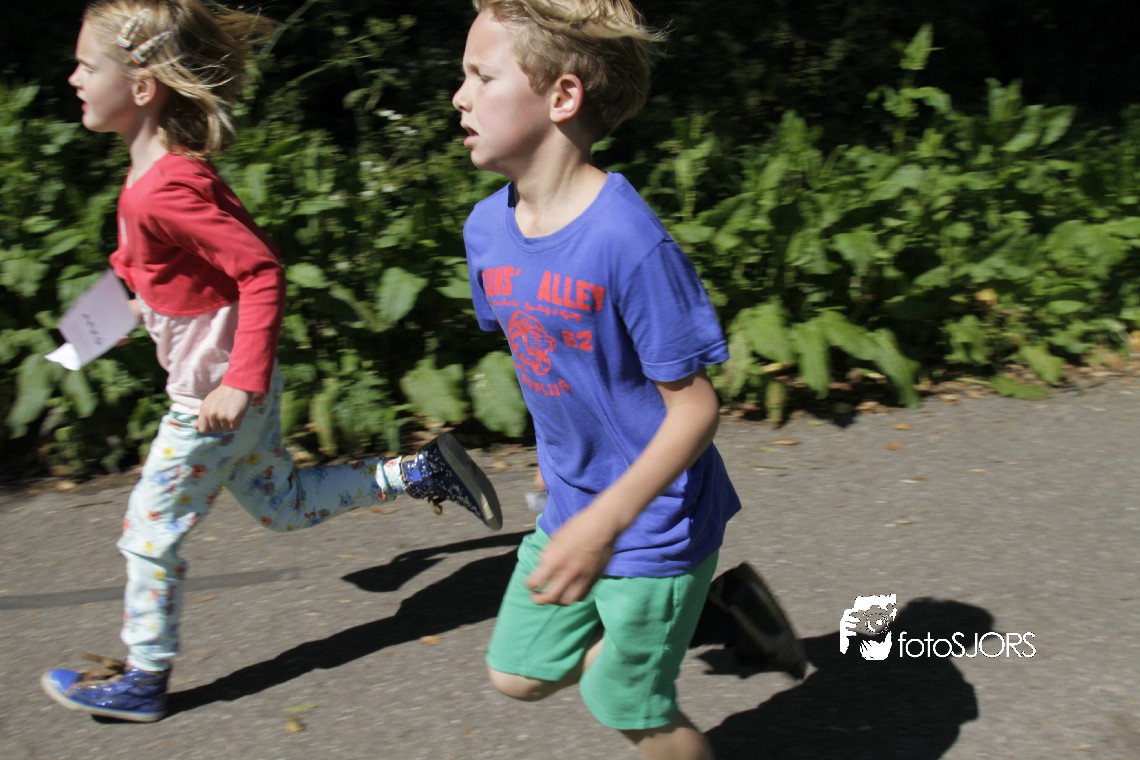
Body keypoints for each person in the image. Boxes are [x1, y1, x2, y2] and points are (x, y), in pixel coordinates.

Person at [41, 0, 502, 724]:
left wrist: (238, 380)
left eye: (85, 66)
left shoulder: (167, 187)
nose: (73, 78)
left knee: (148, 533)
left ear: (141, 87)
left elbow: (258, 271)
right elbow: (173, 276)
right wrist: (121, 317)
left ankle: (144, 677)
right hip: (231, 389)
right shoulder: (155, 176)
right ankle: (417, 472)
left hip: (210, 400)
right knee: (285, 505)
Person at [452, 2, 802, 757]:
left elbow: (696, 411)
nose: (459, 97)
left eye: (482, 76)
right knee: (517, 673)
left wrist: (605, 522)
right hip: (572, 505)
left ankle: (683, 617)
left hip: (655, 522)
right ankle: (722, 613)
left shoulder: (628, 242)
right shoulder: (486, 231)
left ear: (562, 97)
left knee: (624, 700)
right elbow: (549, 364)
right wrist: (559, 473)